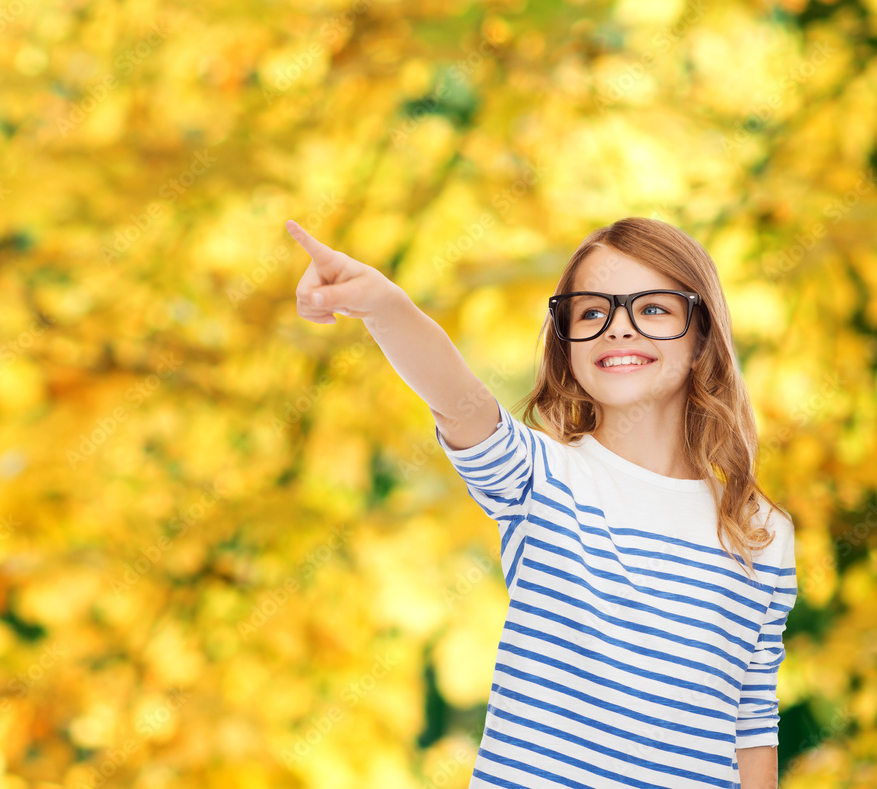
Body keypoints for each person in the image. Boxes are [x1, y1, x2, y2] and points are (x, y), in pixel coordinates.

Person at [286, 215, 797, 789]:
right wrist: (383, 304)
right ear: (567, 347)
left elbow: (752, 724)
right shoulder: (541, 478)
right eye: (591, 313)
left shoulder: (761, 532)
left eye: (652, 308)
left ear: (701, 334)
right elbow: (459, 401)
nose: (618, 329)